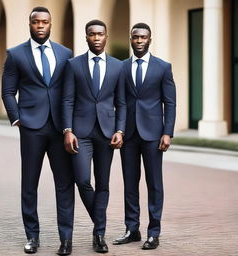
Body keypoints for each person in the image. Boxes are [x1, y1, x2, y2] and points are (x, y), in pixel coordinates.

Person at [2, 7, 74, 255]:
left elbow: (69, 92)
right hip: (31, 128)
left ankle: (66, 239)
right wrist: (17, 119)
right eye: (36, 22)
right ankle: (32, 236)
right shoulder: (15, 54)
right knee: (29, 183)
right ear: (30, 24)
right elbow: (8, 91)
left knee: (64, 184)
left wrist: (70, 125)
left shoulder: (66, 54)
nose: (40, 25)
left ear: (51, 24)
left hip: (59, 128)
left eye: (44, 22)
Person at [62, 19, 126, 253]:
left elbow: (121, 102)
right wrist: (67, 130)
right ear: (86, 37)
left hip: (107, 133)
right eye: (92, 34)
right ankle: (100, 223)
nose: (96, 38)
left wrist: (120, 130)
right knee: (82, 180)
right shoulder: (73, 65)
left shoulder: (118, 66)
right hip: (81, 132)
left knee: (104, 184)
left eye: (100, 34)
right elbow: (67, 99)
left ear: (106, 36)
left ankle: (98, 235)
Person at [113, 23, 176, 250]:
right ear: (131, 39)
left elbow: (169, 102)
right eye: (136, 37)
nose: (139, 41)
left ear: (150, 39)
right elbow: (118, 101)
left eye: (143, 37)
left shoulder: (163, 67)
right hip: (128, 134)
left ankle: (154, 232)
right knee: (130, 183)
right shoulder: (120, 68)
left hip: (153, 135)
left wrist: (167, 132)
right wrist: (117, 129)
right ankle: (132, 229)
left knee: (154, 184)